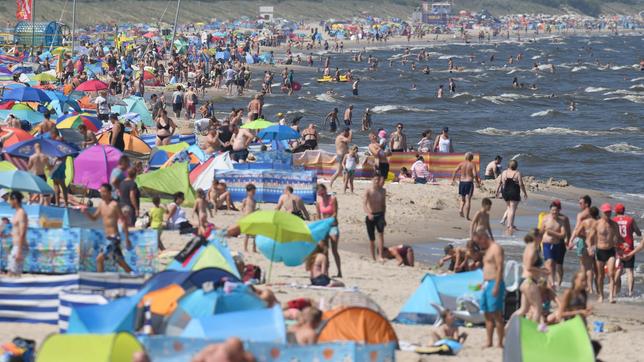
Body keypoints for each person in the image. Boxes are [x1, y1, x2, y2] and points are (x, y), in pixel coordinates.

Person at [81, 184, 132, 273]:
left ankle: (101, 280)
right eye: (101, 192)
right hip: (107, 237)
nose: (102, 194)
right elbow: (94, 218)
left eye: (104, 192)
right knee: (120, 261)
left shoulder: (114, 205)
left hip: (114, 237)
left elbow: (123, 221)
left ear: (109, 193)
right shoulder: (101, 205)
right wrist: (85, 212)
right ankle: (133, 275)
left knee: (99, 259)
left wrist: (127, 239)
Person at [472, 231, 505, 348]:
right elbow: (487, 267)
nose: (478, 245)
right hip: (486, 284)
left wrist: (496, 285)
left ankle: (500, 343)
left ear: (483, 238)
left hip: (494, 283)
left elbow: (500, 267)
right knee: (486, 314)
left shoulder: (496, 248)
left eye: (478, 242)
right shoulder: (487, 250)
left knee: (496, 314)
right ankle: (489, 341)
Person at [511, 229, 548, 325]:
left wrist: (540, 269)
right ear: (536, 237)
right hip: (529, 281)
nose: (542, 238)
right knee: (538, 308)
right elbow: (528, 267)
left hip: (524, 281)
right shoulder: (533, 249)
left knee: (524, 309)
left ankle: (507, 328)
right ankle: (534, 332)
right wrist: (542, 271)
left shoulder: (529, 247)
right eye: (540, 236)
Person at [588, 204, 621, 303]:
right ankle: (601, 295)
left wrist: (623, 245)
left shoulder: (614, 224)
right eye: (606, 212)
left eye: (609, 212)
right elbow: (590, 238)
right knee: (600, 276)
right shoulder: (597, 224)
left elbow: (618, 237)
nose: (608, 214)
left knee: (611, 273)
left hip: (611, 251)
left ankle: (611, 296)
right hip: (600, 251)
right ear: (602, 212)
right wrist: (590, 248)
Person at [569, 204, 599, 294]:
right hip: (594, 245)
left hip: (583, 243)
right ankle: (591, 288)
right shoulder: (598, 222)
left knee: (583, 266)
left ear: (589, 213)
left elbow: (577, 233)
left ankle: (584, 285)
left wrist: (584, 236)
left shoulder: (585, 222)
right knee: (591, 268)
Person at [613, 203, 641, 297]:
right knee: (629, 271)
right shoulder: (630, 219)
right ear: (624, 210)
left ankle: (616, 291)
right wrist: (633, 230)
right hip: (629, 248)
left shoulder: (613, 220)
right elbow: (638, 233)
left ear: (616, 211)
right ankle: (630, 292)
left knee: (618, 270)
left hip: (618, 248)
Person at [315, 184, 341, 277]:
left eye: (322, 191)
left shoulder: (333, 199)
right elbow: (318, 217)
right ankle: (325, 272)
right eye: (319, 193)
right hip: (324, 228)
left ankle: (339, 272)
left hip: (333, 226)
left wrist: (327, 222)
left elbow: (335, 214)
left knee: (334, 250)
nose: (321, 194)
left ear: (325, 190)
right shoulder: (318, 202)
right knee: (324, 250)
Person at [540, 200, 567, 288]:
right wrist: (536, 244)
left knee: (554, 265)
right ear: (550, 210)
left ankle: (551, 282)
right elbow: (541, 232)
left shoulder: (561, 221)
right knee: (549, 262)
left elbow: (563, 235)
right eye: (553, 210)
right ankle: (551, 283)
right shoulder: (545, 219)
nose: (554, 212)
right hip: (546, 244)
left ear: (559, 210)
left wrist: (552, 233)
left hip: (556, 245)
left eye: (556, 210)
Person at [497, 160, 527, 235]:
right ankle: (510, 225)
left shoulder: (504, 172)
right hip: (514, 192)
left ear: (508, 165)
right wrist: (525, 193)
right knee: (512, 210)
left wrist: (497, 191)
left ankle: (510, 224)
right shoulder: (517, 173)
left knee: (509, 208)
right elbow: (521, 184)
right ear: (516, 166)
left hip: (505, 192)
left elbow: (500, 182)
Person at [451, 152, 480, 220]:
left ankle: (460, 209)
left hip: (462, 182)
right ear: (471, 158)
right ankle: (467, 217)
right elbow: (475, 174)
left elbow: (455, 171)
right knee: (468, 200)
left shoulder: (461, 163)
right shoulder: (472, 164)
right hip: (469, 182)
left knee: (462, 199)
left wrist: (453, 180)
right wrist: (477, 182)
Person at [364, 177, 387, 262]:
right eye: (375, 180)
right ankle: (373, 257)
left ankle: (380, 256)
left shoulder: (383, 191)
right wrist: (369, 213)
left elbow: (384, 205)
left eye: (378, 180)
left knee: (381, 236)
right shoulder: (368, 191)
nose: (376, 181)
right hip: (371, 216)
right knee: (372, 239)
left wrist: (384, 218)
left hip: (380, 215)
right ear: (372, 180)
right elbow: (364, 204)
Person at [7, 192, 28, 277]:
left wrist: (19, 251)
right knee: (13, 273)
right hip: (16, 246)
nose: (9, 202)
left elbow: (22, 232)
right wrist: (6, 235)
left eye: (10, 200)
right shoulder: (17, 213)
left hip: (19, 246)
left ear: (15, 200)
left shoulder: (21, 213)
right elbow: (15, 231)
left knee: (13, 273)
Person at [241, 184, 257, 253]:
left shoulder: (254, 201)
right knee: (247, 235)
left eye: (254, 192)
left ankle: (254, 248)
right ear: (248, 192)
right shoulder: (245, 200)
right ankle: (245, 248)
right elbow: (242, 208)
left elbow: (253, 209)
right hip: (247, 218)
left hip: (252, 218)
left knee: (256, 234)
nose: (253, 193)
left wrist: (256, 211)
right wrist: (244, 214)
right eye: (252, 192)